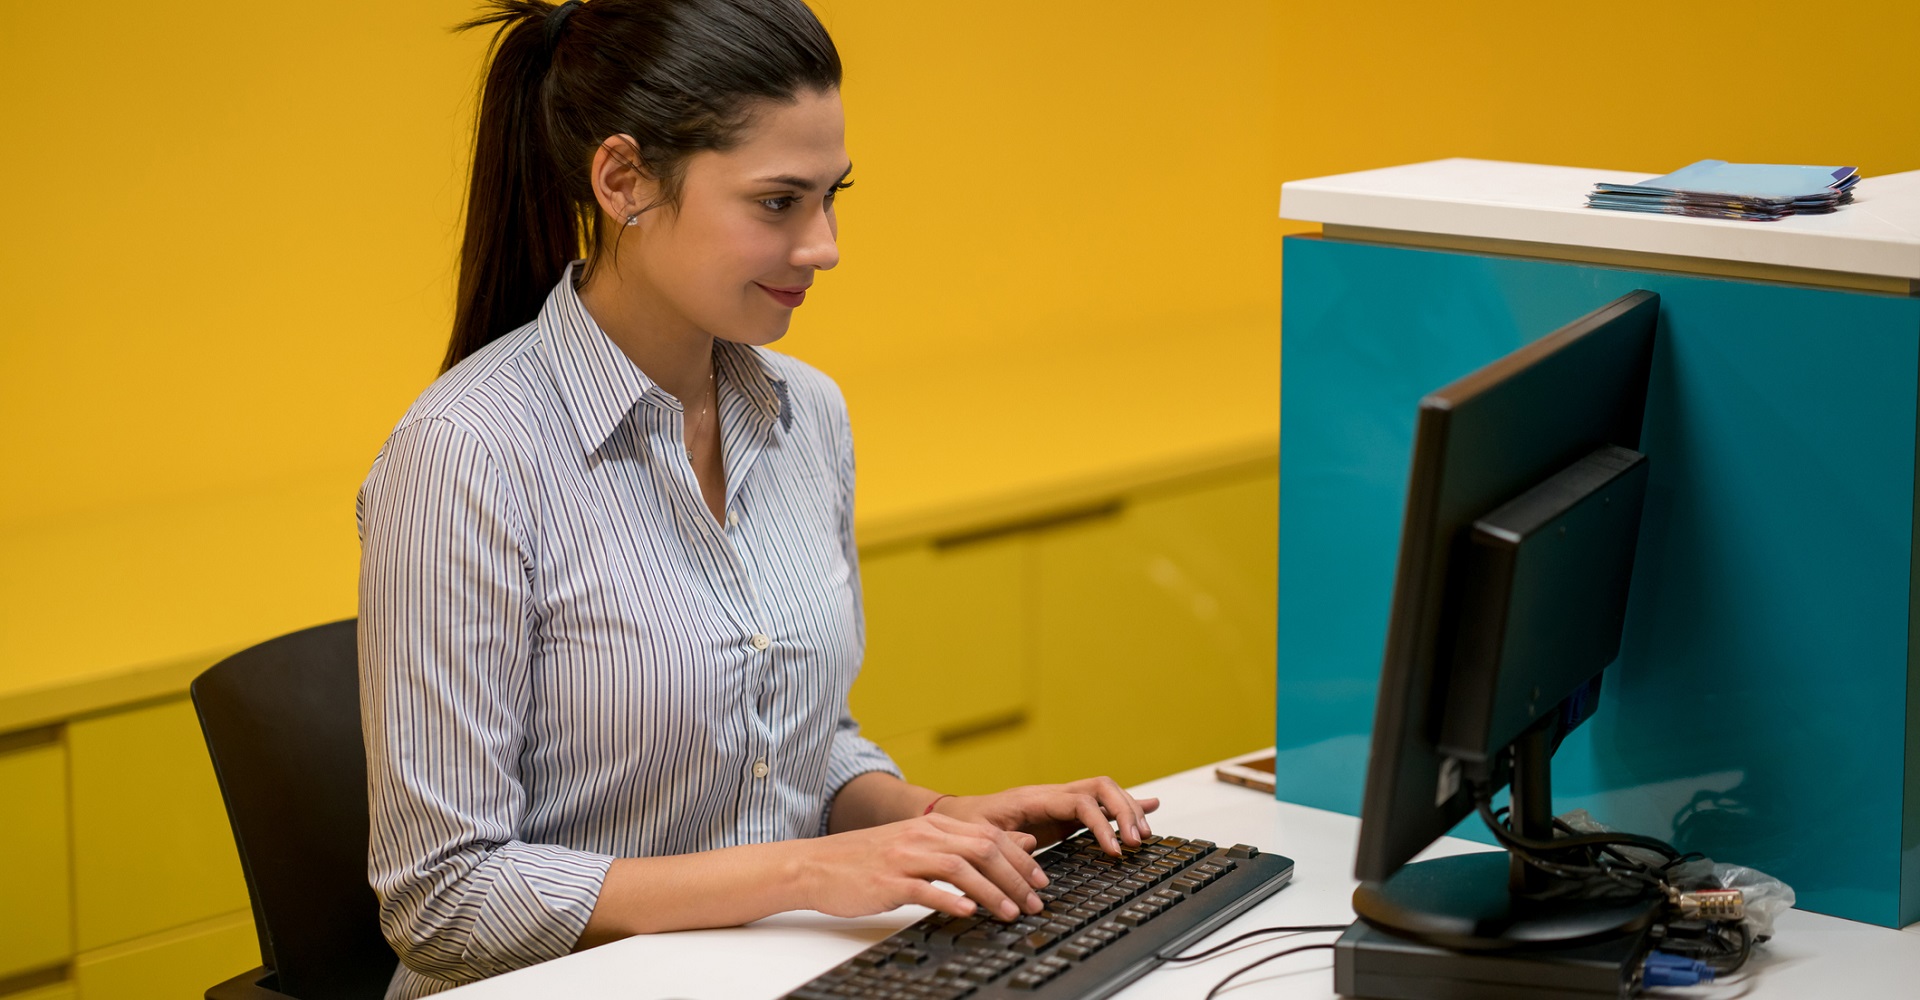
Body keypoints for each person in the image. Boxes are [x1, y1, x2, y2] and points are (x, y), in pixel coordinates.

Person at [357, 1, 1158, 995]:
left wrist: (937, 818)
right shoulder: (465, 456)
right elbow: (445, 899)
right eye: (779, 202)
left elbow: (796, 746)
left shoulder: (805, 413)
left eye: (832, 197)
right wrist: (809, 871)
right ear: (624, 181)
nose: (823, 246)